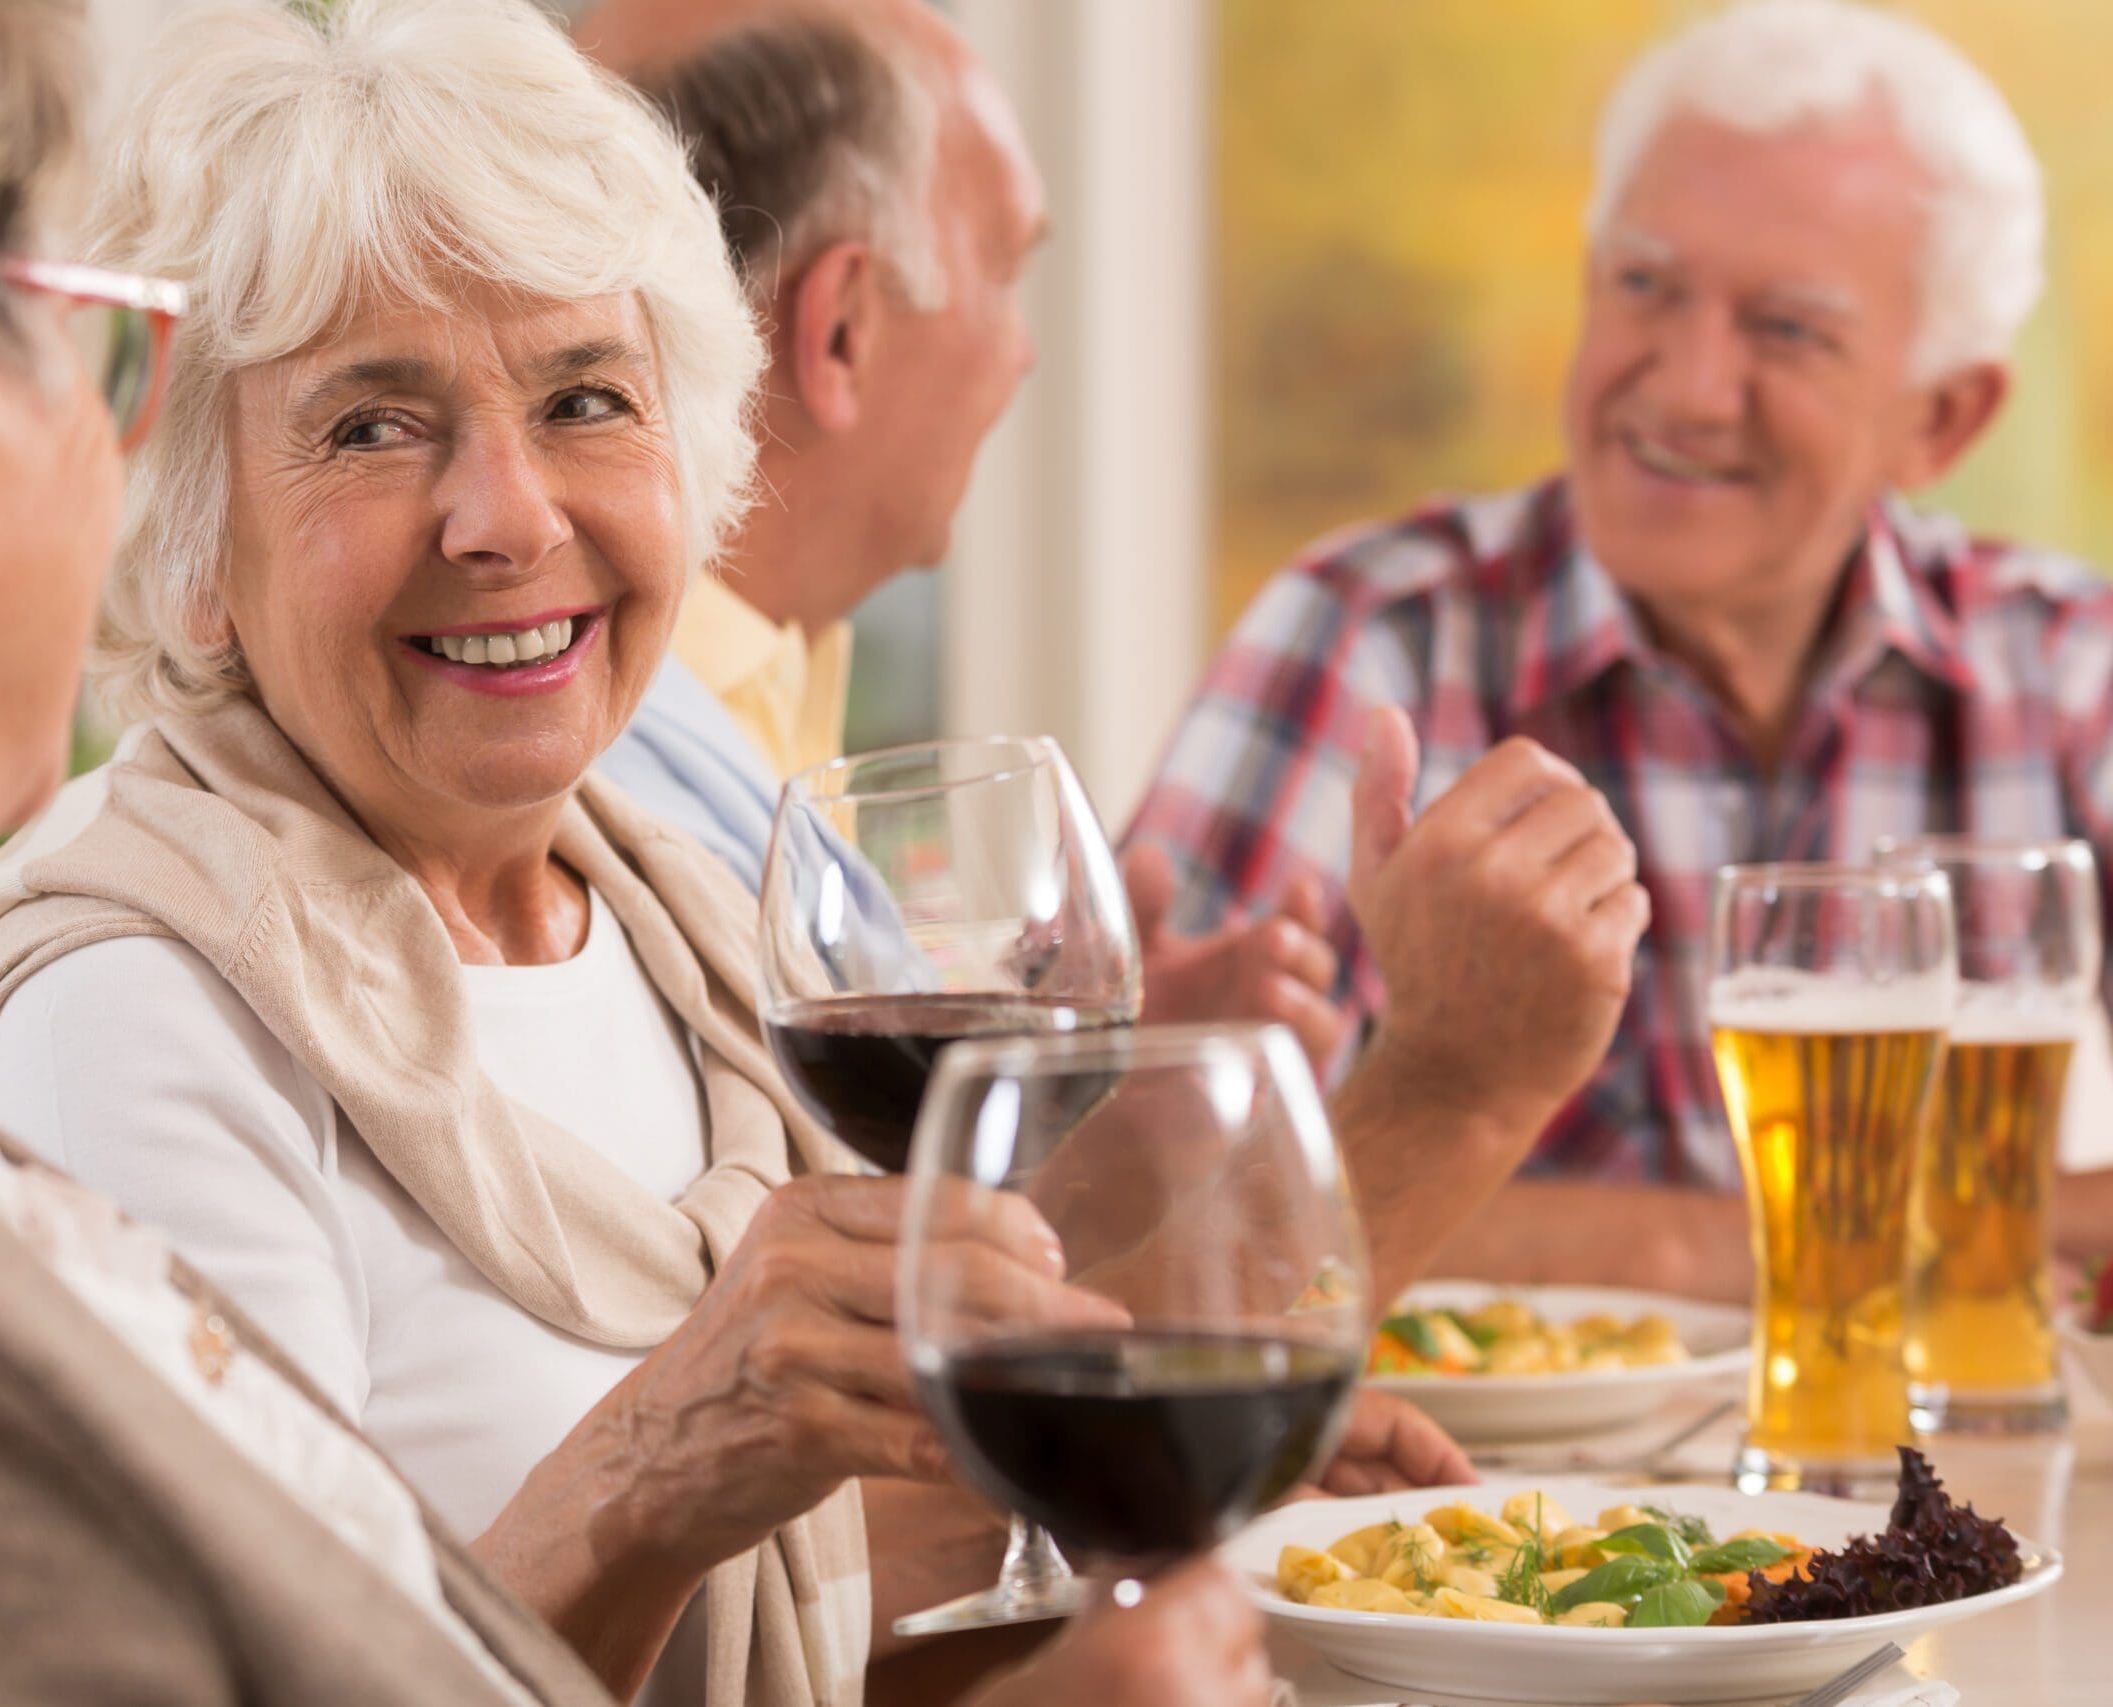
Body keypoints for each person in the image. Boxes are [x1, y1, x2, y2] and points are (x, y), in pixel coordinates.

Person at [0, 0, 1271, 1702]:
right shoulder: (119, 1018)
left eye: (590, 398)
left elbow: (804, 1592)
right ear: (189, 536)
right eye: (371, 427)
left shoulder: (689, 910)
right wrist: (666, 1468)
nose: (507, 516)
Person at [576, 0, 1653, 1273]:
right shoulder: (597, 790)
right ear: (844, 331)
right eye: (1007, 275)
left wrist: (1087, 1112)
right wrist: (1455, 1079)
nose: (1024, 355)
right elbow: (861, 1424)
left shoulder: (756, 716)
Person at [1132, 0, 2113, 1299]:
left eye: (1789, 330)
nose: (1691, 384)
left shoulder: (2065, 660)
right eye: (1645, 285)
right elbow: (1166, 1231)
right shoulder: (1374, 634)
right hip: (1488, 1498)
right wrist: (1746, 1246)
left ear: (1942, 417)